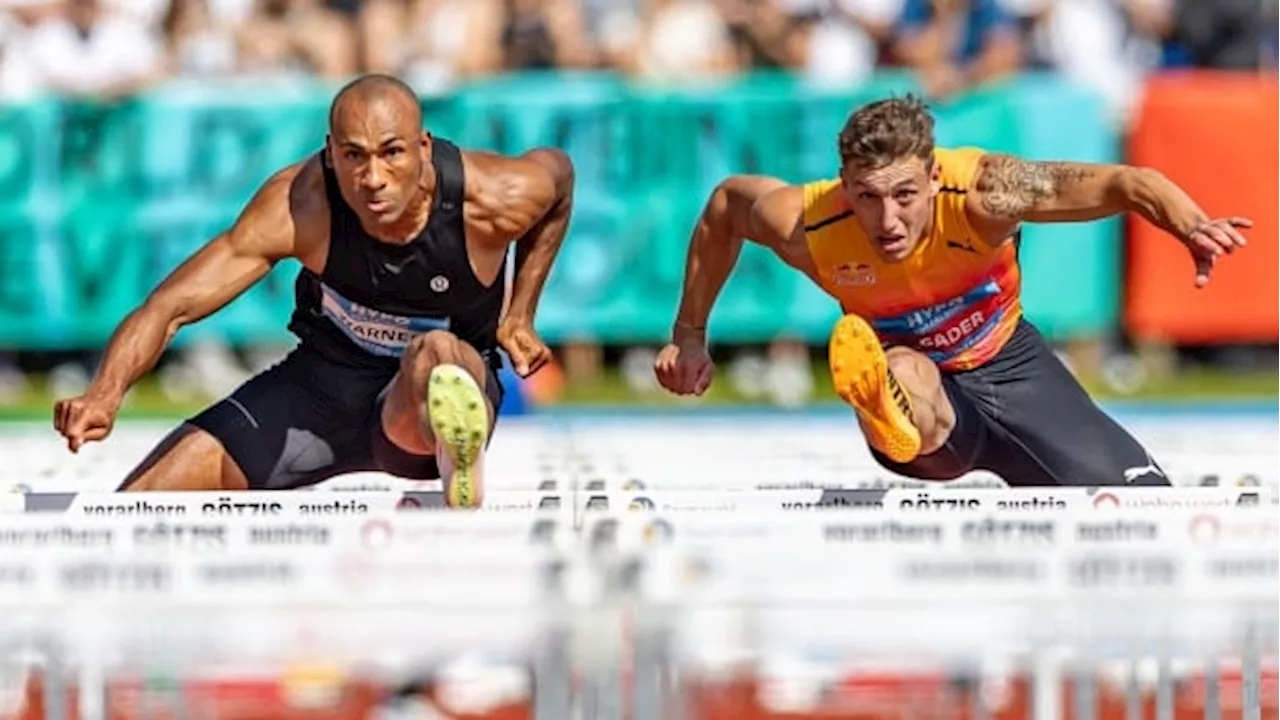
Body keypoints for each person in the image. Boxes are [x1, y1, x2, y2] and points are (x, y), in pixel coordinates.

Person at [655, 95, 1250, 487]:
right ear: (844, 186)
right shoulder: (811, 223)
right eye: (867, 196)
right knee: (908, 371)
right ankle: (883, 409)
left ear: (935, 176)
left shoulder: (985, 195)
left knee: (1145, 504)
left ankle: (900, 408)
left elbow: (1126, 182)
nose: (887, 220)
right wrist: (689, 336)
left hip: (1012, 365)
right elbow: (727, 207)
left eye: (905, 195)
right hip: (925, 393)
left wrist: (1190, 223)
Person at [52, 74, 573, 508]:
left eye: (392, 154)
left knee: (435, 354)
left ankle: (454, 448)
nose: (372, 178)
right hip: (320, 390)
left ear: (423, 147)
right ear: (330, 153)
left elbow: (559, 179)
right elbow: (170, 306)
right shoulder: (303, 205)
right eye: (353, 156)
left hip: (418, 409)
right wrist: (105, 392)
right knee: (134, 505)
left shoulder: (488, 198)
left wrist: (519, 314)